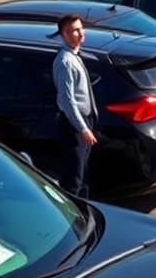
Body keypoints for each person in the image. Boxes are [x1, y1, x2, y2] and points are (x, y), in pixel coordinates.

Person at [52, 13, 97, 196]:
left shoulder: (75, 56)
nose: (80, 33)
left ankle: (87, 213)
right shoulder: (65, 62)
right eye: (74, 30)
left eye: (80, 28)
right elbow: (67, 100)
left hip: (84, 121)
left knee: (83, 174)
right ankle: (75, 220)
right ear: (64, 34)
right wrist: (83, 128)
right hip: (74, 126)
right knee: (74, 179)